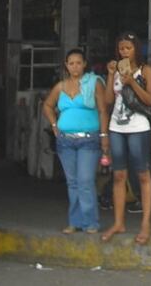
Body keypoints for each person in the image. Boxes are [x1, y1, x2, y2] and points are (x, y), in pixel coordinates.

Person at [41, 48, 107, 234]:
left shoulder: (94, 83)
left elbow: (103, 110)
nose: (75, 66)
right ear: (66, 65)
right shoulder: (60, 86)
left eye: (78, 63)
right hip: (65, 141)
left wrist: (104, 136)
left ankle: (91, 222)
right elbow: (47, 105)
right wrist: (54, 124)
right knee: (73, 183)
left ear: (84, 64)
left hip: (89, 139)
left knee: (85, 180)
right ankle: (75, 222)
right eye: (71, 63)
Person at [101, 33, 151, 245]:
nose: (124, 52)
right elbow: (107, 100)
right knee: (118, 175)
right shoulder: (116, 70)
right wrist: (110, 75)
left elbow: (150, 100)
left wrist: (132, 82)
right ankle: (118, 222)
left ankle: (145, 224)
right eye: (121, 48)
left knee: (142, 174)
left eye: (128, 48)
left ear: (136, 49)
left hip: (138, 127)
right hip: (117, 126)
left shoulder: (145, 70)